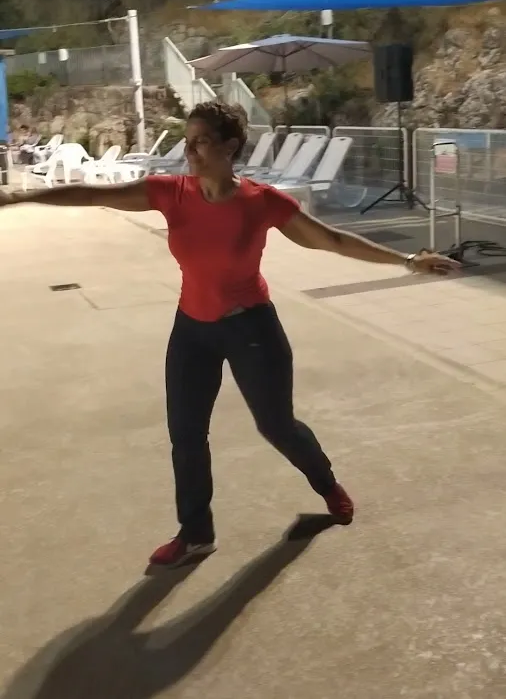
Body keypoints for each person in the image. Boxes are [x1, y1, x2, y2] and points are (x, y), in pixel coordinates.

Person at [0, 102, 460, 568]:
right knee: (186, 434)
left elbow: (331, 239)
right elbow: (91, 194)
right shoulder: (170, 193)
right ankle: (196, 534)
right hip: (192, 329)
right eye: (187, 141)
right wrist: (20, 198)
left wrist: (407, 260)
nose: (190, 151)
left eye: (200, 141)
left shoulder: (262, 202)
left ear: (230, 146)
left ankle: (326, 485)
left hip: (250, 328)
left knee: (277, 426)